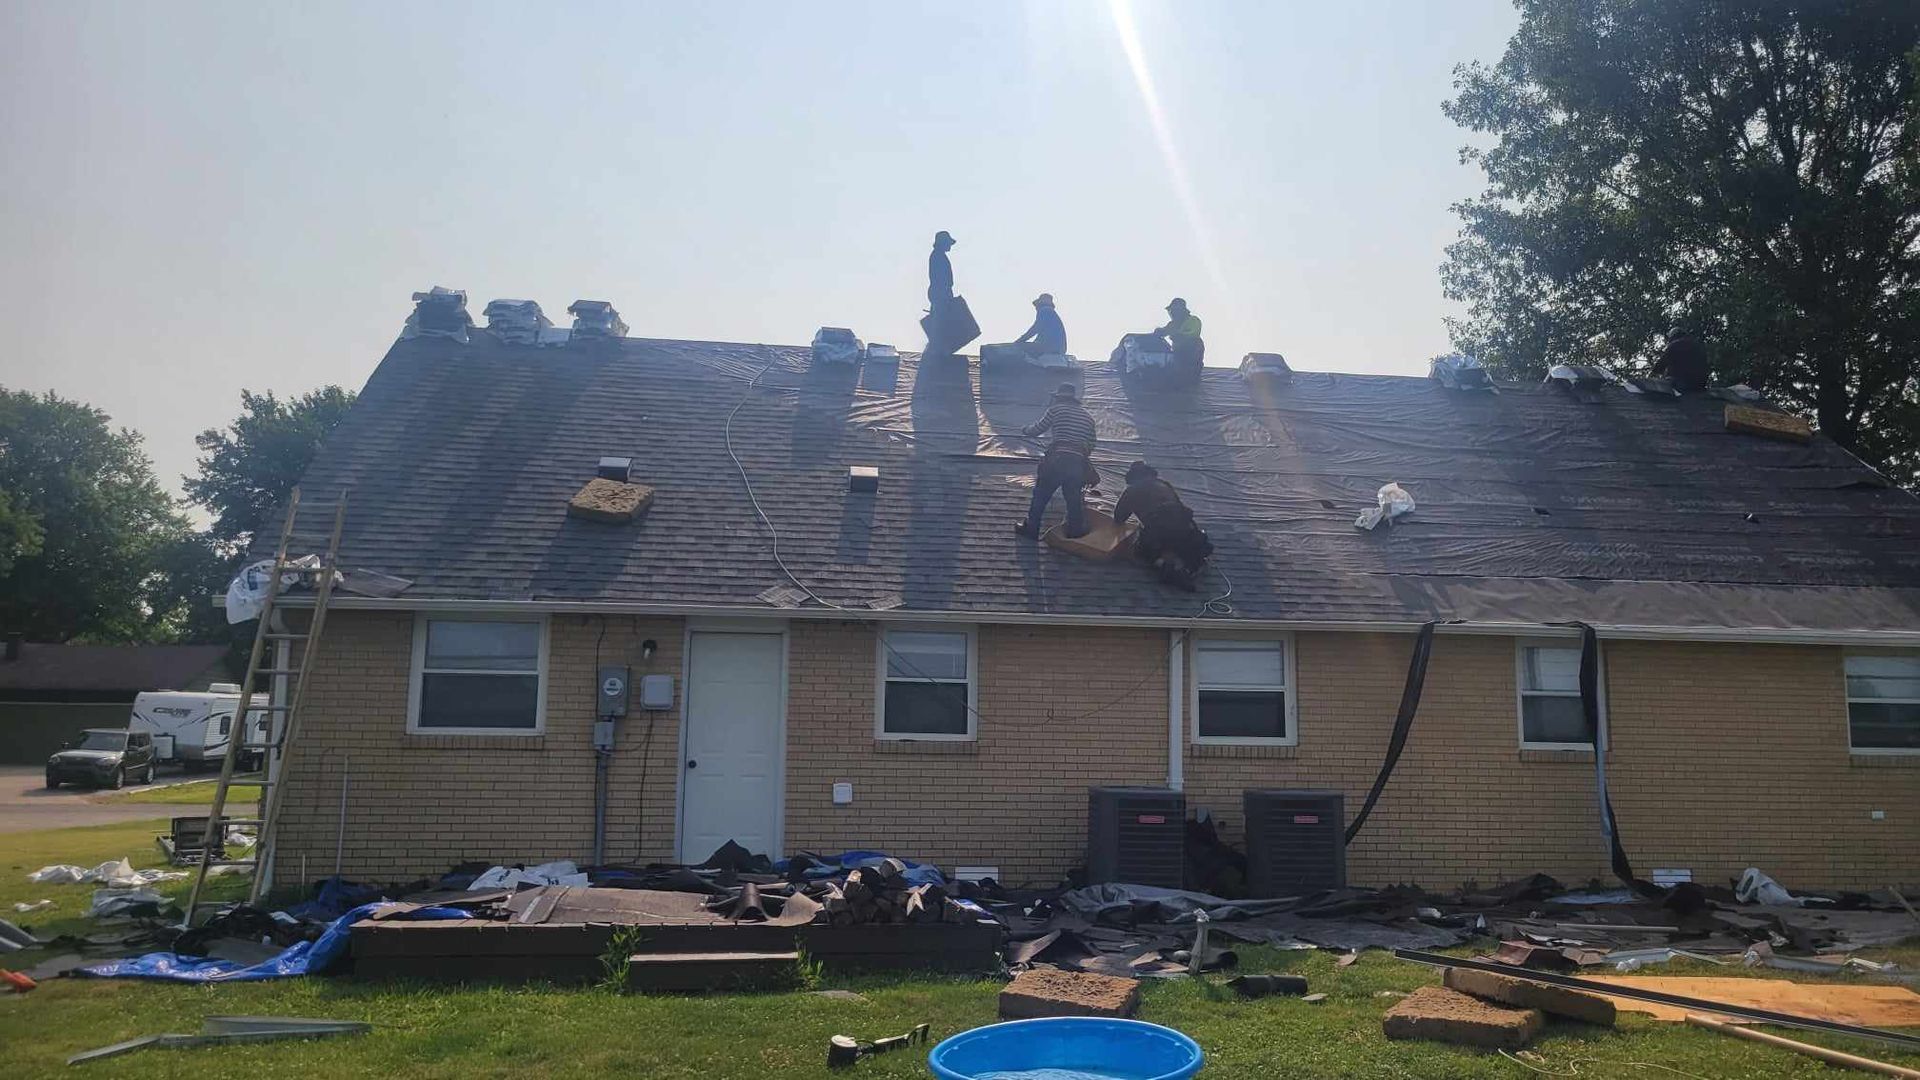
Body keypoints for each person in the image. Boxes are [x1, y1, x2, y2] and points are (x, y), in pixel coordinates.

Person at [1113, 461, 1213, 591]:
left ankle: (1165, 566)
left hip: (1158, 531)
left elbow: (1119, 517)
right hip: (1185, 528)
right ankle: (1186, 569)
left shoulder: (1132, 490)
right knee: (1187, 550)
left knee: (1143, 552)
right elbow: (1180, 507)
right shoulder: (1164, 485)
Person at [1016, 383, 1098, 540]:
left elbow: (1038, 429)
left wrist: (1025, 429)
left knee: (1041, 495)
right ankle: (1075, 532)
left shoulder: (1056, 410)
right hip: (1078, 463)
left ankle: (1032, 529)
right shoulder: (1088, 417)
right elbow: (1092, 443)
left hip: (1057, 459)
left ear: (1058, 398)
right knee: (1073, 499)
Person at [1651, 325, 1709, 392]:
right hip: (1700, 384)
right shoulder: (1697, 346)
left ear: (1672, 337)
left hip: (1682, 383)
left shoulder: (1674, 346)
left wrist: (1652, 376)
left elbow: (1660, 366)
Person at [1154, 297, 1205, 372]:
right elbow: (1164, 331)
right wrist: (1159, 332)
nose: (1172, 313)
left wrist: (1179, 335)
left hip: (1192, 356)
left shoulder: (1193, 320)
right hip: (1179, 356)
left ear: (1181, 311)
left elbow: (1193, 333)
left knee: (1193, 344)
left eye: (1174, 310)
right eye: (1171, 311)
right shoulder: (1173, 324)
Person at [1012, 293, 1068, 359]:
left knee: (1020, 349)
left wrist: (1019, 341)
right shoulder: (1051, 314)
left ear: (1039, 305)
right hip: (1060, 348)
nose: (1036, 308)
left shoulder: (1045, 311)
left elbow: (1035, 329)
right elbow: (1042, 335)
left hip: (1049, 347)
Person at [927, 231, 956, 307]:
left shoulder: (938, 255)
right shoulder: (938, 256)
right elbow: (940, 279)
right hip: (941, 294)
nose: (949, 245)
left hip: (941, 293)